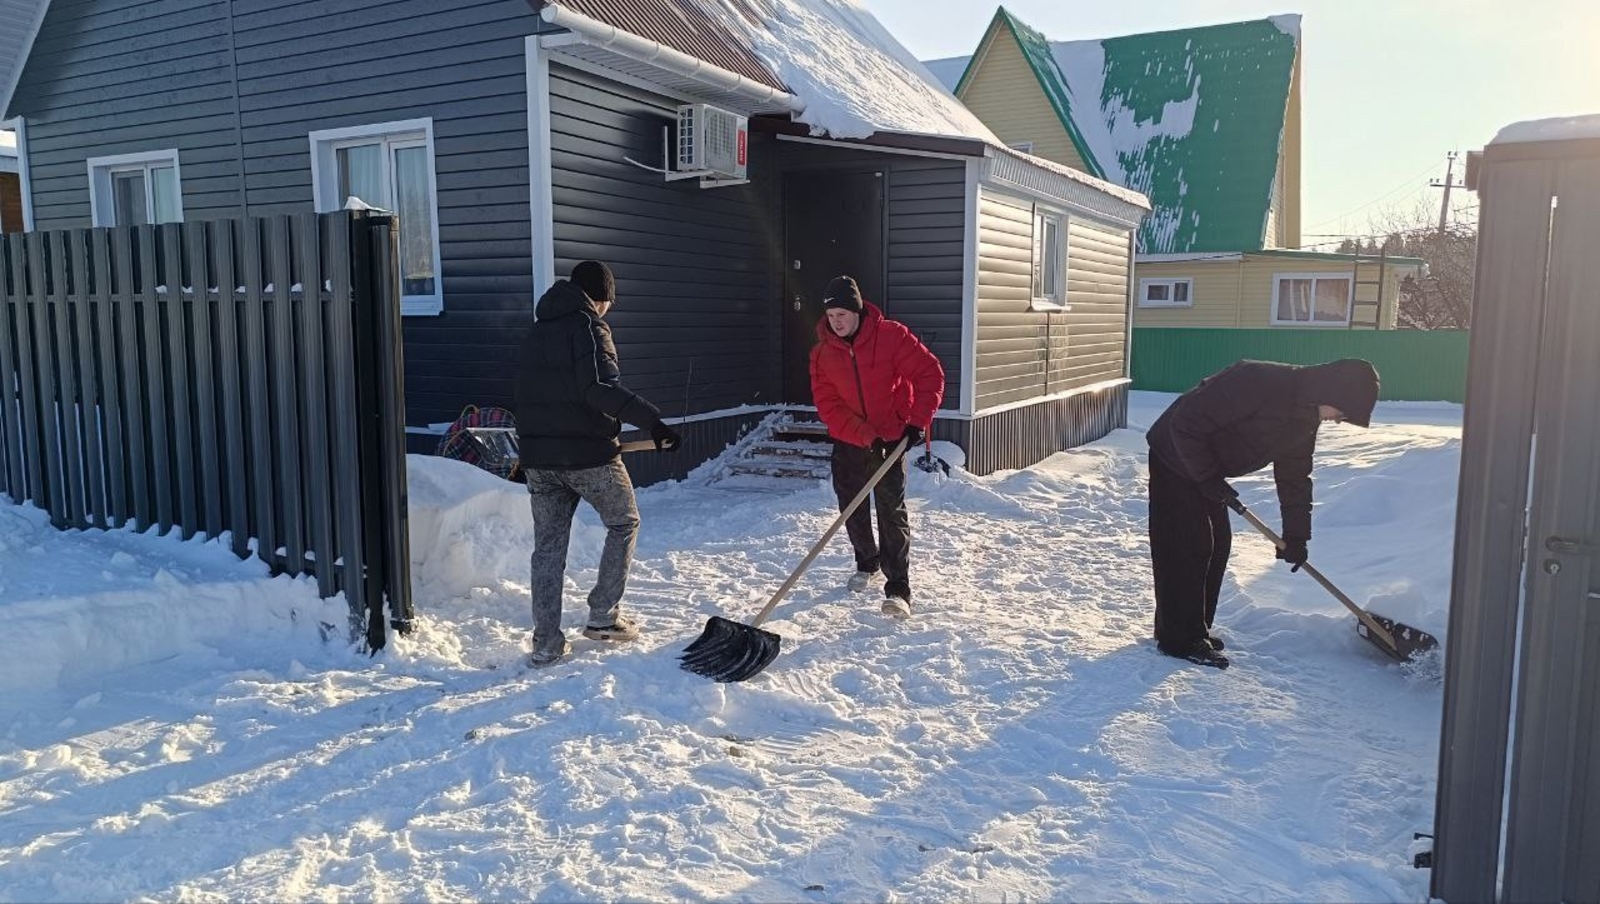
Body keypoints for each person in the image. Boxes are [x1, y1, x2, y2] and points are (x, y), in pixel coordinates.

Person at [1144, 359, 1380, 669]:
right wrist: (1207, 477)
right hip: (1175, 455)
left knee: (1218, 546)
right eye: (1343, 412)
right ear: (1331, 392)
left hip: (1205, 469)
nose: (1338, 420)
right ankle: (1178, 639)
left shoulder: (1303, 419)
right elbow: (1186, 424)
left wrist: (1296, 536)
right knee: (1188, 546)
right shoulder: (1257, 381)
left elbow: (1294, 478)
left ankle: (1193, 629)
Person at [512, 260, 681, 667]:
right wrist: (652, 420)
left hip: (540, 459)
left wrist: (530, 452)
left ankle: (546, 642)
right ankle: (604, 616)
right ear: (601, 297)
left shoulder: (536, 332)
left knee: (548, 550)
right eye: (608, 302)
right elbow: (600, 388)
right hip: (589, 455)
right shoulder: (589, 327)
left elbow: (524, 393)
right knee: (624, 522)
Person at [808, 274, 945, 619]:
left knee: (890, 508)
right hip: (852, 438)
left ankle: (898, 587)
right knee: (851, 505)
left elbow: (930, 373)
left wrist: (915, 423)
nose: (836, 322)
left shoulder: (891, 337)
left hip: (893, 435)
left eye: (842, 314)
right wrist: (868, 437)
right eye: (831, 316)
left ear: (857, 312)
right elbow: (830, 407)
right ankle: (866, 562)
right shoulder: (822, 354)